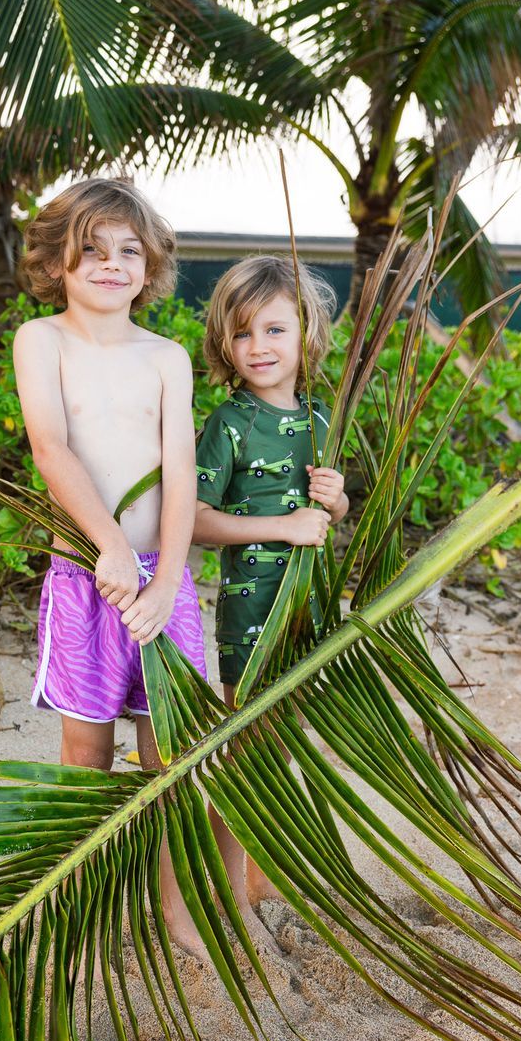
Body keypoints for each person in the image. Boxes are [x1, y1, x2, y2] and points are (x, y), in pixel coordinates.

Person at [14, 177, 209, 956]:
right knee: (86, 756)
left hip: (164, 583)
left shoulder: (167, 357)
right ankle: (79, 908)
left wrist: (164, 582)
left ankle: (173, 908)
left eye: (129, 250)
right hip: (86, 580)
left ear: (151, 264)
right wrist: (112, 546)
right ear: (58, 259)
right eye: (91, 249)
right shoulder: (42, 339)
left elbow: (183, 474)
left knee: (171, 753)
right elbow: (50, 446)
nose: (110, 263)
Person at [193, 255, 349, 919]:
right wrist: (282, 524)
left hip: (307, 610)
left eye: (276, 330)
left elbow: (324, 519)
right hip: (252, 613)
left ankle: (263, 879)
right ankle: (227, 889)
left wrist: (336, 502)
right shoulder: (229, 423)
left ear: (307, 335)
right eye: (244, 332)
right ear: (225, 344)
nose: (259, 346)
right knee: (245, 747)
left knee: (279, 744)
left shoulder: (319, 418)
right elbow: (195, 520)